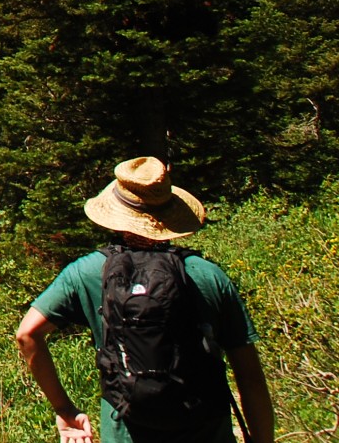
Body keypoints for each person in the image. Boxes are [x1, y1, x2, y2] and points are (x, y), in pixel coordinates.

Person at [14, 157, 274, 443]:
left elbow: (27, 335)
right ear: (171, 215)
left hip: (126, 431)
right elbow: (249, 378)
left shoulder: (87, 272)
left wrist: (64, 410)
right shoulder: (208, 276)